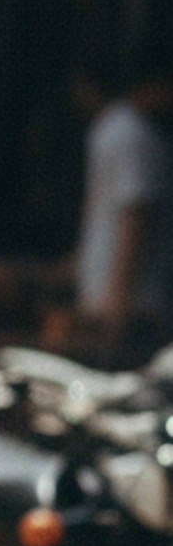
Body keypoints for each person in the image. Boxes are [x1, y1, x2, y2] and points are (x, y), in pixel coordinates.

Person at [74, 55, 173, 365]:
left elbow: (131, 216)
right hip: (127, 304)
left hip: (116, 302)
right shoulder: (131, 132)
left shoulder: (118, 129)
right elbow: (134, 217)